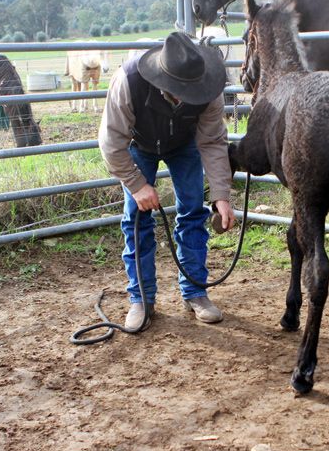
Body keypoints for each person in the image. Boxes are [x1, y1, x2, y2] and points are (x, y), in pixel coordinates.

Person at [99, 32, 236, 330]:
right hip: (140, 143)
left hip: (185, 143)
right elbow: (111, 144)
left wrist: (221, 195)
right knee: (136, 218)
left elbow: (212, 141)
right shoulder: (129, 81)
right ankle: (141, 299)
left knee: (193, 212)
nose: (190, 97)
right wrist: (136, 185)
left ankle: (195, 292)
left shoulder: (210, 87)